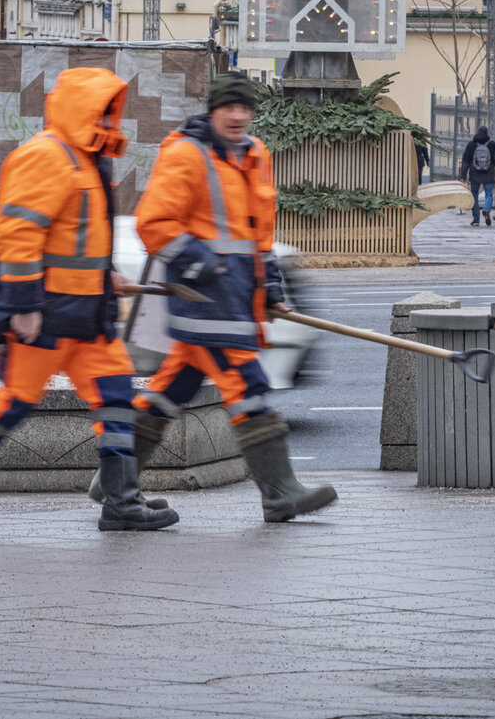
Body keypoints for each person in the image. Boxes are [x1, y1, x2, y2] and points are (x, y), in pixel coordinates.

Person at [0, 67, 179, 533]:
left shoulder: (86, 159)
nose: (113, 121)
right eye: (106, 111)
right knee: (15, 400)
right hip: (49, 314)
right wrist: (26, 305)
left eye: (113, 112)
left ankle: (122, 503)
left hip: (85, 316)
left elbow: (76, 236)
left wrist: (103, 273)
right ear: (83, 109)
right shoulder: (46, 157)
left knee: (115, 401)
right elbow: (18, 235)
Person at [125, 72, 338, 523]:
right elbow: (154, 224)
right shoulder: (187, 155)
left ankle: (113, 484)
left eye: (245, 108)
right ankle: (280, 493)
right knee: (249, 390)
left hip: (236, 302)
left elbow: (258, 236)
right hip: (206, 306)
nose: (239, 115)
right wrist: (208, 267)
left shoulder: (255, 154)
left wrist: (271, 287)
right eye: (229, 107)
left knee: (169, 391)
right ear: (213, 110)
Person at [459, 125, 495, 227]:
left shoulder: (472, 144)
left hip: (474, 173)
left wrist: (463, 175)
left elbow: (466, 161)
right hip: (488, 173)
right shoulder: (492, 144)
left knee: (474, 194)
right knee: (489, 193)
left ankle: (476, 220)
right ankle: (486, 209)